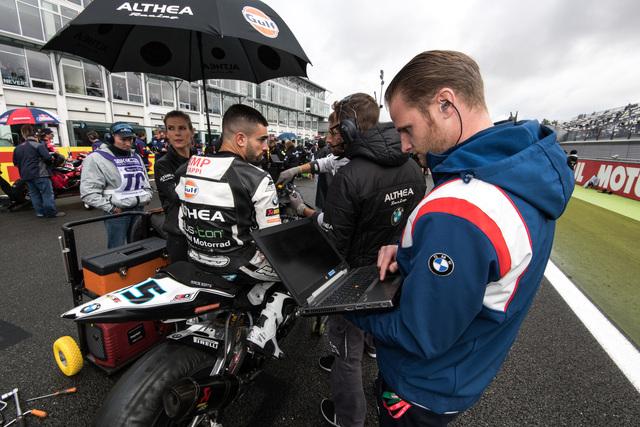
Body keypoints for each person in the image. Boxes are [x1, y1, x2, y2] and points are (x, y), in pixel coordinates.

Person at [347, 50, 574, 426]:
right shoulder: (515, 173)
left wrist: (354, 308)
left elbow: (420, 334)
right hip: (462, 372)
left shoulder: (462, 208)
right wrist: (410, 253)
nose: (404, 145)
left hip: (421, 385)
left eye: (407, 129)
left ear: (445, 104)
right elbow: (481, 264)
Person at [290, 93, 426, 427]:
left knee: (345, 353)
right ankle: (372, 352)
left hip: (353, 279)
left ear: (351, 129)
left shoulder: (351, 175)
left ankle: (349, 417)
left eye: (336, 129)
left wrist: (305, 212)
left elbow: (334, 239)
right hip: (392, 271)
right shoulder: (411, 166)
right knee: (377, 334)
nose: (331, 136)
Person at [174, 104, 292, 358]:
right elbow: (271, 238)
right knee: (296, 271)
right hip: (239, 264)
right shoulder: (257, 177)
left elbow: (183, 223)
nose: (265, 146)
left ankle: (234, 306)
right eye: (261, 139)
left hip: (195, 258)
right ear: (240, 139)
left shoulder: (185, 169)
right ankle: (265, 330)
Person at [80, 122, 153, 248]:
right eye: (123, 139)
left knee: (138, 246)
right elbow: (88, 192)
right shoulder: (95, 158)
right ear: (110, 137)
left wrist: (147, 196)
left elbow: (145, 181)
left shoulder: (136, 156)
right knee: (117, 249)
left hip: (139, 209)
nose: (128, 143)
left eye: (130, 139)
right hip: (117, 212)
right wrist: (111, 208)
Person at [154, 111, 195, 263]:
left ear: (191, 132)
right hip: (178, 233)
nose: (177, 133)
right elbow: (176, 195)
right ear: (167, 134)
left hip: (203, 229)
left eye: (182, 128)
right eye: (171, 128)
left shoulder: (199, 159)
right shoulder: (162, 164)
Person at [12, 124, 64, 218]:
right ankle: (51, 213)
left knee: (34, 194)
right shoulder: (38, 146)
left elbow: (15, 163)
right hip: (40, 174)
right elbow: (48, 158)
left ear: (23, 135)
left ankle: (40, 213)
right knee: (47, 194)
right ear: (34, 134)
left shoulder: (17, 148)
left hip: (25, 175)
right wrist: (51, 158)